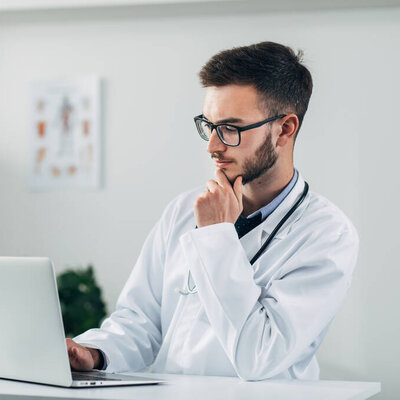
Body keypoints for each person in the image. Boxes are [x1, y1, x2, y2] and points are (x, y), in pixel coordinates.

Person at [65, 41, 359, 381]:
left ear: (284, 129)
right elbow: (140, 322)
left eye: (231, 129)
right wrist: (95, 352)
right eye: (210, 125)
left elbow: (260, 356)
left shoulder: (327, 234)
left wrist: (216, 238)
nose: (213, 146)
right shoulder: (183, 211)